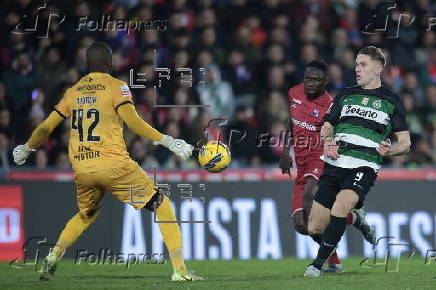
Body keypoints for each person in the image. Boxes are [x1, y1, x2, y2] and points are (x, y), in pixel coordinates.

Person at [12, 42, 203, 282]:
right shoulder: (117, 87)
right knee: (161, 205)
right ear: (110, 63)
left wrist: (27, 147)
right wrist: (168, 141)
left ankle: (53, 256)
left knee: (86, 214)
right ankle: (180, 271)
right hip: (114, 167)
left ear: (87, 64)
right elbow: (134, 122)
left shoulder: (74, 91)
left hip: (82, 167)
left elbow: (47, 126)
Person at [303, 47, 411, 277]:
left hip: (364, 164)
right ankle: (355, 221)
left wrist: (389, 151)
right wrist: (329, 140)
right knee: (314, 228)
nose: (357, 68)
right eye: (356, 64)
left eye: (363, 64)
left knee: (341, 206)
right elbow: (327, 125)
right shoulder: (345, 94)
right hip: (335, 163)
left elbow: (405, 143)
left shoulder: (392, 100)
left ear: (378, 68)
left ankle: (316, 265)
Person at [280, 60, 376, 273]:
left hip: (320, 161)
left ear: (325, 81)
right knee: (303, 226)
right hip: (301, 166)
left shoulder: (330, 105)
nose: (311, 83)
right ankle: (352, 223)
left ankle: (322, 262)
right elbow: (291, 120)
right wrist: (286, 151)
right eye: (308, 78)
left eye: (316, 79)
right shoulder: (294, 92)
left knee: (309, 198)